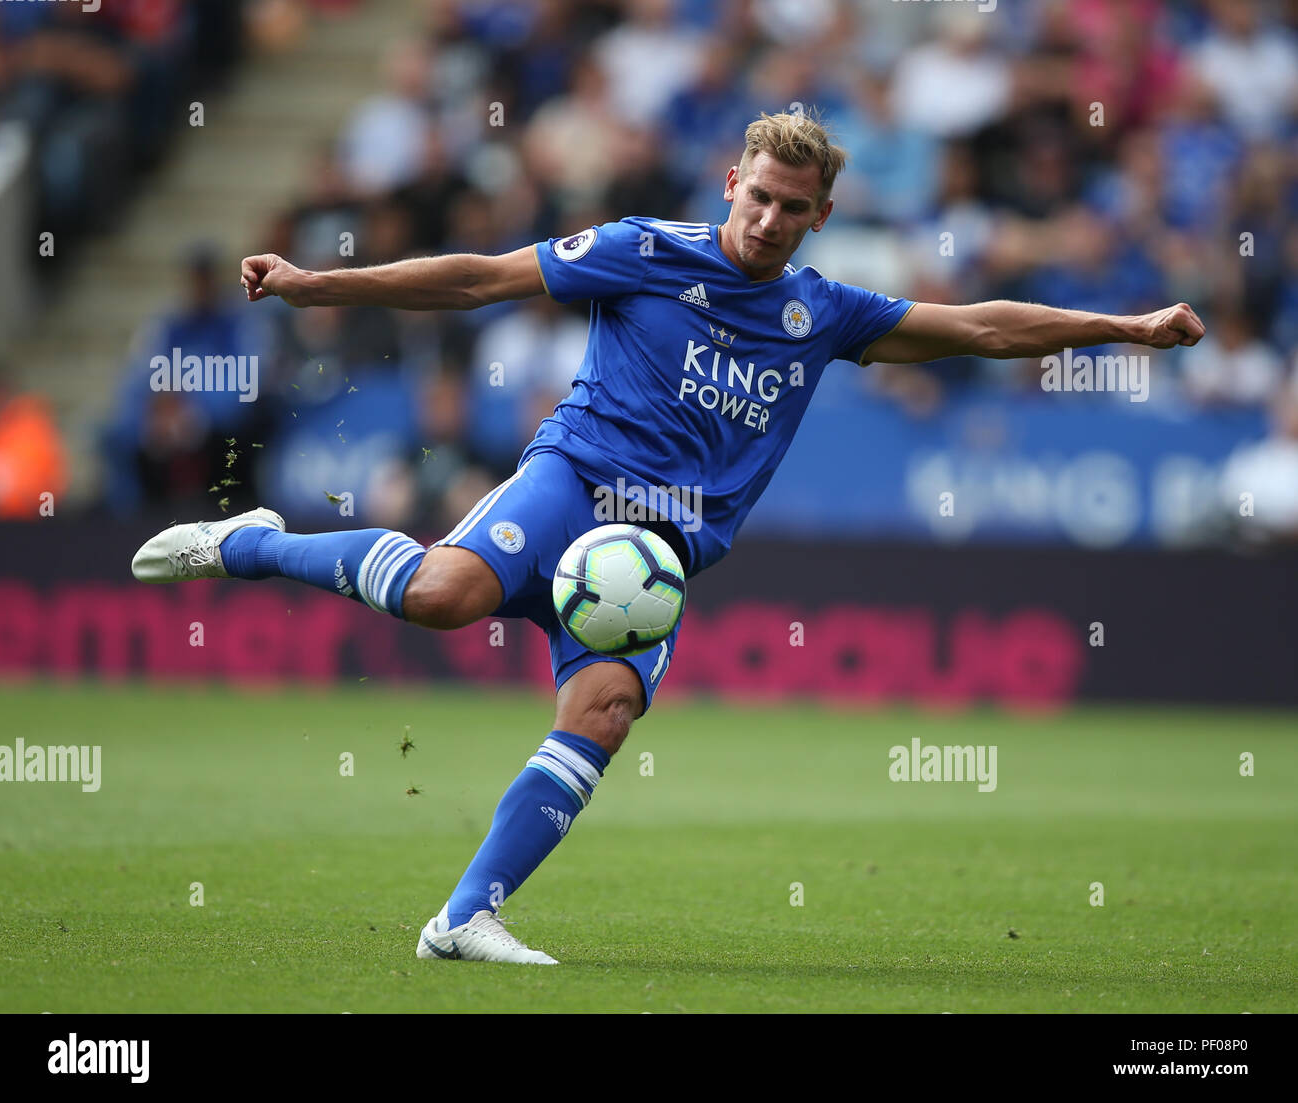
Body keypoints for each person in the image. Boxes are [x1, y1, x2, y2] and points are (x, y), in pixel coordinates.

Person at [131, 112, 1205, 964]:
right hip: (572, 482)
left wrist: (1124, 328)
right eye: (759, 196)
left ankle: (464, 916)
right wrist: (322, 284)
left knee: (601, 709)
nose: (770, 219)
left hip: (658, 554)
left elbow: (976, 327)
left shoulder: (822, 313)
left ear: (821, 213)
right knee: (441, 596)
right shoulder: (638, 252)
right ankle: (254, 542)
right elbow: (480, 275)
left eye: (795, 207)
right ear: (728, 184)